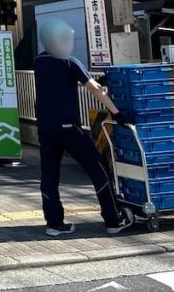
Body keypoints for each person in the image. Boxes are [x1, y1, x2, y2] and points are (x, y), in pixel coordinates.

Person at [34, 19, 134, 237]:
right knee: (98, 169)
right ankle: (113, 219)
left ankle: (54, 223)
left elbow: (60, 84)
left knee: (49, 175)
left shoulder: (39, 61)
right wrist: (116, 113)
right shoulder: (69, 61)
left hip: (45, 128)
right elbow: (95, 90)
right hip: (69, 127)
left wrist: (93, 80)